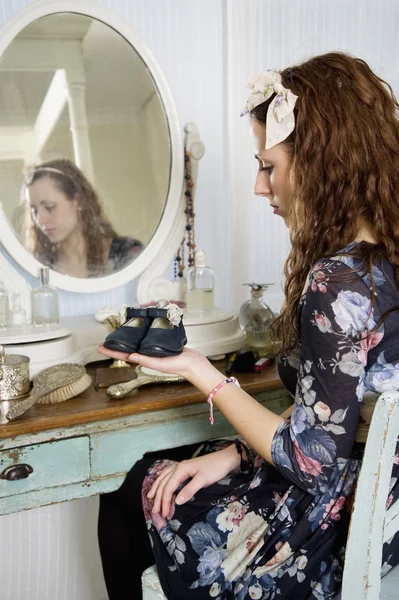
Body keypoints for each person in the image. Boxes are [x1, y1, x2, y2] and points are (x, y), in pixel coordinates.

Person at [97, 51, 399, 599]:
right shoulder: (385, 261)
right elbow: (335, 406)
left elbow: (310, 459)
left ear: (319, 163)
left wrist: (198, 370)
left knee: (130, 490)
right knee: (168, 473)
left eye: (269, 166)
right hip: (382, 515)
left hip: (325, 528)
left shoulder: (335, 283)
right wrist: (233, 452)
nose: (261, 188)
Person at [21, 158, 142, 277]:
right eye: (34, 210)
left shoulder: (125, 253)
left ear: (79, 201)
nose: (40, 219)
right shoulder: (40, 269)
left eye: (50, 207)